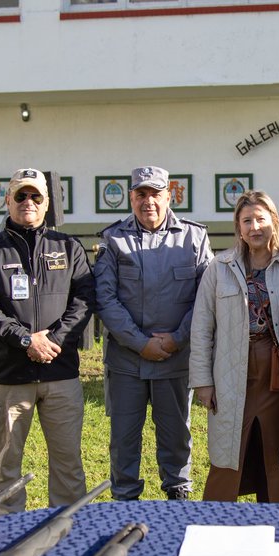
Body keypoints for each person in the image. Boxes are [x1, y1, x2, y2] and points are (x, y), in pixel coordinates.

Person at [94, 166, 212, 500]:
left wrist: (177, 338)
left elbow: (206, 298)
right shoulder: (112, 239)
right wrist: (141, 343)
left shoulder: (194, 238)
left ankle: (178, 504)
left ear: (169, 196)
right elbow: (105, 299)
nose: (148, 201)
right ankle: (126, 506)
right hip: (127, 362)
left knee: (176, 439)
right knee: (124, 441)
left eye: (155, 194)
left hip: (175, 360)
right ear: (131, 197)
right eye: (141, 194)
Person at [0, 168, 95, 510]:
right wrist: (26, 341)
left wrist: (53, 339)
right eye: (20, 196)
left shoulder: (68, 247)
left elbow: (85, 299)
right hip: (9, 375)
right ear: (7, 200)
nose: (28, 202)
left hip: (60, 374)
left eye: (35, 197)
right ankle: (10, 529)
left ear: (46, 203)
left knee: (68, 463)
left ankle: (67, 528)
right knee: (6, 464)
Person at [189, 190, 279, 503]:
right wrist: (202, 381)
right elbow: (202, 327)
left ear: (274, 222)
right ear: (238, 227)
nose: (254, 226)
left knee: (277, 449)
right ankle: (220, 525)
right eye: (247, 221)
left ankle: (278, 516)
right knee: (230, 451)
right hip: (232, 373)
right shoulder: (220, 267)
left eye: (260, 219)